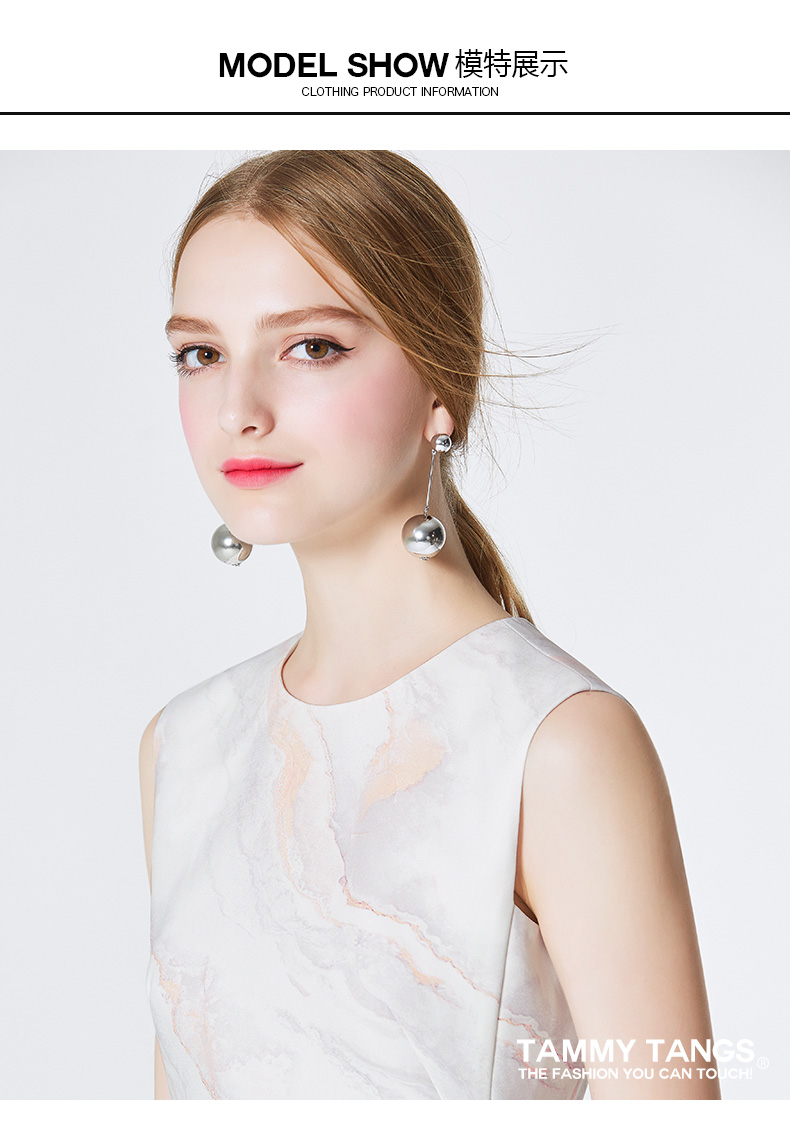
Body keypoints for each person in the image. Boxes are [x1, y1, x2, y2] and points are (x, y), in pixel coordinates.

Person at [138, 149, 719, 1101]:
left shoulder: (557, 744)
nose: (238, 409)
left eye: (311, 346)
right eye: (200, 354)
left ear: (440, 380)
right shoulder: (184, 746)